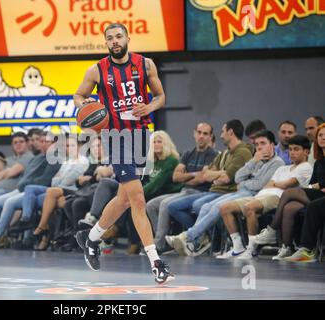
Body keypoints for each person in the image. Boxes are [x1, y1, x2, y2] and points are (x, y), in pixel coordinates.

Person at [73, 23, 173, 284]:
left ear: (128, 38)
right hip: (115, 137)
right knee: (138, 199)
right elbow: (79, 95)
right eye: (110, 38)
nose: (115, 41)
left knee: (125, 199)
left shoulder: (146, 64)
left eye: (118, 36)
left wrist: (149, 105)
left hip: (140, 134)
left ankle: (91, 238)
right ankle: (156, 262)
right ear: (106, 43)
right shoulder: (96, 69)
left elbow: (161, 95)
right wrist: (88, 106)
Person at [166, 120, 253, 255]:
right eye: (199, 133)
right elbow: (204, 174)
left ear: (231, 132)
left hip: (227, 191)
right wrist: (217, 174)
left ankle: (191, 238)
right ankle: (198, 239)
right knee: (176, 205)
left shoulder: (241, 152)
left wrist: (215, 175)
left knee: (200, 205)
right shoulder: (226, 152)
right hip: (215, 190)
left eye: (223, 131)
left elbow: (225, 178)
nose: (221, 135)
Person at [218, 135, 313, 260]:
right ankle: (238, 247)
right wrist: (275, 184)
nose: (292, 153)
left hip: (278, 197)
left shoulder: (306, 167)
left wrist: (275, 184)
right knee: (225, 208)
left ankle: (251, 250)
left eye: (296, 149)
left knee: (249, 208)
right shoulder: (282, 168)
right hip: (262, 195)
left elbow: (287, 185)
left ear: (306, 152)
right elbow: (267, 185)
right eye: (290, 149)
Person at [254, 123, 325, 259]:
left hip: (319, 195)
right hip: (318, 194)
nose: (323, 138)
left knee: (289, 193)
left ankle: (272, 230)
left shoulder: (307, 165)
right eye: (320, 135)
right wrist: (316, 186)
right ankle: (287, 247)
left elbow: (315, 185)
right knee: (289, 208)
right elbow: (312, 184)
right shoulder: (319, 162)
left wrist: (317, 186)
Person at [147, 122, 217, 254]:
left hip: (201, 192)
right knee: (151, 205)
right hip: (184, 191)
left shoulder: (212, 155)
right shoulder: (188, 153)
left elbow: (203, 179)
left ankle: (159, 245)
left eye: (205, 134)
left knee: (166, 204)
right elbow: (176, 177)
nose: (201, 136)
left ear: (210, 137)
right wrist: (194, 175)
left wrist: (187, 176)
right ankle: (165, 241)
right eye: (199, 132)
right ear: (194, 134)